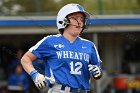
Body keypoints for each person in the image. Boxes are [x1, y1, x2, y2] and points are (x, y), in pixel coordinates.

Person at [21, 3, 102, 93]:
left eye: (82, 19)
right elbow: (25, 59)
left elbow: (97, 72)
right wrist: (34, 74)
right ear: (63, 20)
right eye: (75, 18)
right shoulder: (50, 41)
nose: (79, 22)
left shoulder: (89, 45)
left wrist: (98, 72)